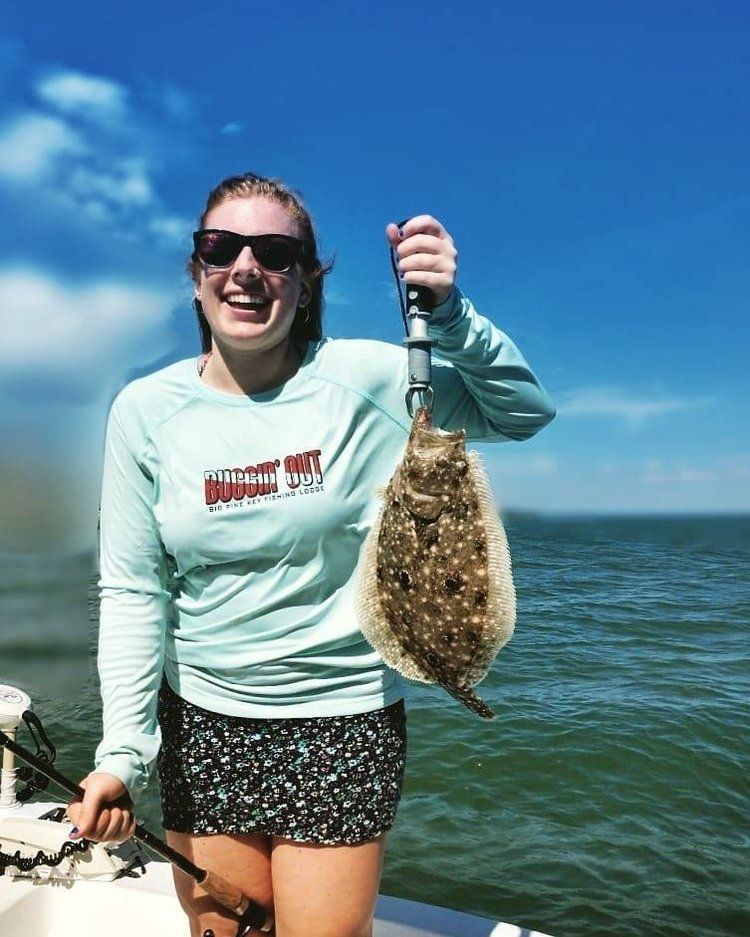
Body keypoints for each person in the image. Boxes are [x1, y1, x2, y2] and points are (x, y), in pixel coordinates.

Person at [65, 173, 556, 937]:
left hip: (341, 722)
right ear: (195, 272)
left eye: (275, 252)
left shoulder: (370, 377)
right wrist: (122, 753)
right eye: (220, 247)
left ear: (306, 278)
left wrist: (452, 315)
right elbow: (135, 592)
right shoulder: (144, 410)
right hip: (202, 723)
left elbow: (521, 411)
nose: (246, 268)